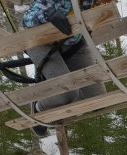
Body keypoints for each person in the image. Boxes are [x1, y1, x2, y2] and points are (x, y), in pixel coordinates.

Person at [22, 0, 107, 136]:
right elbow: (27, 19)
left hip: (74, 44)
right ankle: (40, 107)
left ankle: (57, 101)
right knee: (66, 91)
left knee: (97, 97)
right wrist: (48, 14)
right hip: (40, 42)